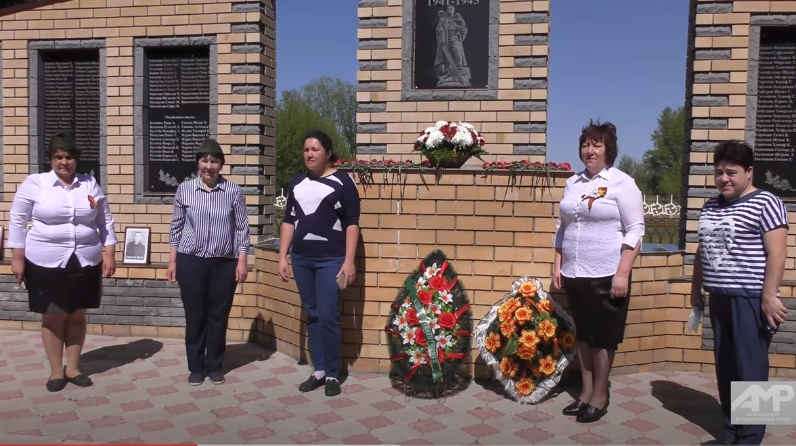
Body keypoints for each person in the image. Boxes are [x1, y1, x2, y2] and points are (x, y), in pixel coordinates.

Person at [690, 140, 789, 446]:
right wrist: (696, 291)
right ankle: (731, 432)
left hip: (751, 299)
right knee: (728, 368)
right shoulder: (711, 205)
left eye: (731, 172)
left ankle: (751, 438)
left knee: (751, 368)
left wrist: (769, 296)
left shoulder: (767, 202)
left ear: (749, 172)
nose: (724, 179)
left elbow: (778, 253)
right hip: (719, 296)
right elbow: (702, 251)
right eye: (719, 172)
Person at [7, 132, 118, 392]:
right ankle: (56, 371)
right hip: (45, 260)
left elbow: (104, 220)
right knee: (54, 315)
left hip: (85, 259)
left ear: (76, 159)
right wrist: (17, 258)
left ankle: (73, 368)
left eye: (68, 157)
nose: (63, 162)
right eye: (58, 157)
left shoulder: (89, 184)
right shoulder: (35, 184)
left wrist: (109, 253)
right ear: (51, 159)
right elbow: (17, 220)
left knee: (77, 314)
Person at [553, 121, 645, 423]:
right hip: (575, 272)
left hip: (607, 273)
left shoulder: (622, 183)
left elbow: (636, 230)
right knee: (583, 335)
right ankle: (586, 392)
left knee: (603, 338)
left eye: (597, 145)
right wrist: (558, 265)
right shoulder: (573, 182)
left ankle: (600, 395)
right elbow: (562, 228)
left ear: (609, 150)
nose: (589, 151)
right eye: (585, 145)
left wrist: (623, 273)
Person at [277, 130, 361, 397]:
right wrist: (282, 256)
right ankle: (319, 370)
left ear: (328, 153)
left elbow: (352, 223)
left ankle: (333, 373)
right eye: (306, 150)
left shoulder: (343, 182)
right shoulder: (297, 182)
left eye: (314, 149)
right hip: (302, 260)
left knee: (327, 315)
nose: (309, 154)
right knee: (312, 314)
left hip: (331, 260)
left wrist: (349, 261)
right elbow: (289, 220)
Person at [166, 138, 250, 386]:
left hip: (224, 263)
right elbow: (176, 227)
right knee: (195, 315)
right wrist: (172, 261)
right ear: (198, 164)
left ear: (221, 165)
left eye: (214, 161)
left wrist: (242, 261)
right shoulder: (185, 190)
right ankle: (195, 366)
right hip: (191, 261)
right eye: (205, 161)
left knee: (218, 315)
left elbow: (242, 228)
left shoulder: (233, 191)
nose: (209, 166)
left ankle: (214, 365)